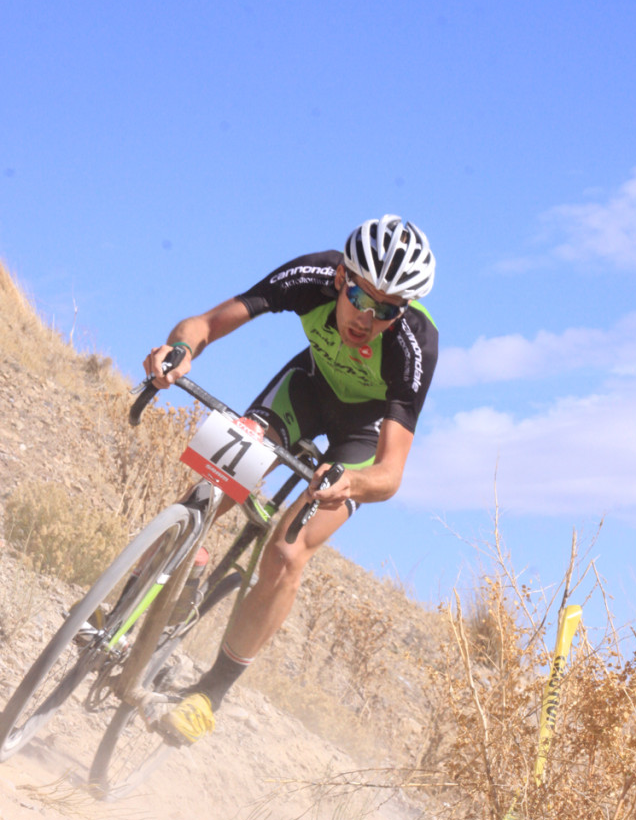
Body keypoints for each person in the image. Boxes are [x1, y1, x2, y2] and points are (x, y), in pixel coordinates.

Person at [143, 214, 438, 744]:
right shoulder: (311, 275)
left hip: (361, 437)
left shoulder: (415, 345)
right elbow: (204, 324)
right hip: (306, 389)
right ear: (341, 278)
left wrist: (352, 484)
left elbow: (390, 473)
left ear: (403, 310)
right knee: (214, 486)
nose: (367, 318)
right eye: (360, 297)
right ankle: (131, 604)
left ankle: (209, 695)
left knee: (285, 554)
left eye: (387, 310)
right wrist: (178, 351)